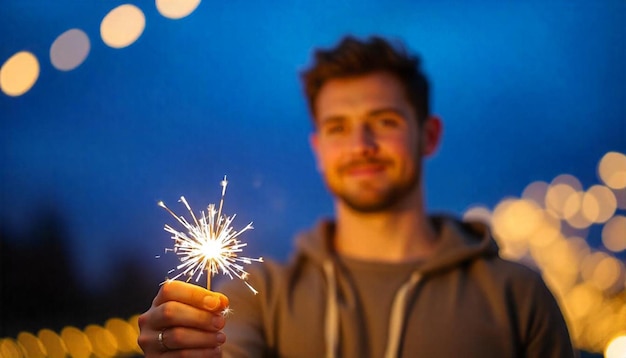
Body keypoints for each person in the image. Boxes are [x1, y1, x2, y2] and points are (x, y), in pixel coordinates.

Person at [138, 35, 576, 357]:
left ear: (429, 135)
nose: (360, 144)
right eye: (338, 127)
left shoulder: (517, 297)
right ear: (318, 150)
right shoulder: (263, 297)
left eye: (384, 121)